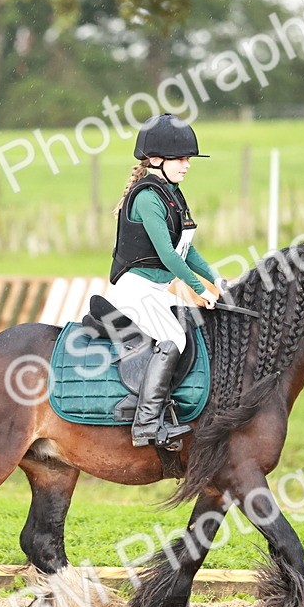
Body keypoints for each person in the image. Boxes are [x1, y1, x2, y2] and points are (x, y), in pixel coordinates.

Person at [105, 114, 223, 448]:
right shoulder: (147, 197)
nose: (187, 165)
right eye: (181, 159)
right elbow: (170, 256)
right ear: (156, 160)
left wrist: (217, 279)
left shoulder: (172, 194)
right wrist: (199, 290)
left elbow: (187, 249)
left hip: (156, 289)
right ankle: (146, 424)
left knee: (194, 328)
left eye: (188, 159)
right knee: (174, 339)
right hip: (134, 289)